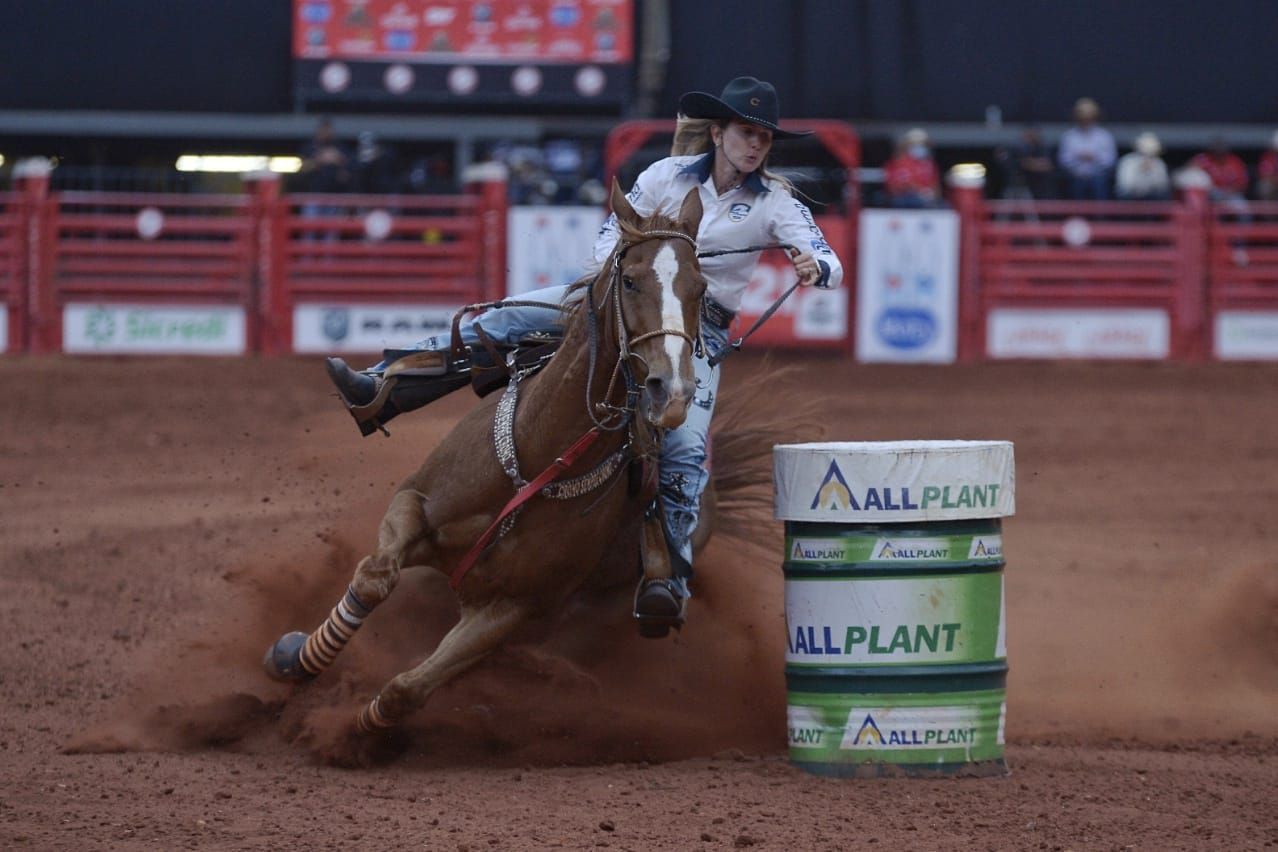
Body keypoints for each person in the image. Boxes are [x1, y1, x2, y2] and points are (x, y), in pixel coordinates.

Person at [324, 76, 843, 624]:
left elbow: (825, 255)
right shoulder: (662, 176)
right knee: (503, 318)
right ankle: (386, 385)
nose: (757, 144)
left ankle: (670, 579)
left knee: (685, 449)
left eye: (764, 136)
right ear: (717, 133)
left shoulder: (775, 203)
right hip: (618, 299)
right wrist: (602, 286)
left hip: (695, 328)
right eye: (747, 132)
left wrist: (816, 266)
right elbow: (608, 234)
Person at [1057, 97, 1116, 200]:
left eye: (1089, 117)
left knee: (1099, 184)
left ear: (1095, 116)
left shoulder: (1104, 136)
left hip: (1098, 177)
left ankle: (1101, 215)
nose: (1086, 120)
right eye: (1083, 117)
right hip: (1075, 177)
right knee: (1074, 186)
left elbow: (1110, 161)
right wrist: (1078, 157)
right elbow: (1063, 160)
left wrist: (1095, 157)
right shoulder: (1069, 136)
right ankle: (1076, 215)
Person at [882, 128, 941, 208]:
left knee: (943, 205)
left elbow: (935, 183)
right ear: (907, 145)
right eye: (916, 144)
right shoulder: (899, 162)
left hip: (926, 198)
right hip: (904, 198)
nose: (920, 147)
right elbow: (903, 184)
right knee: (913, 200)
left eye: (922, 144)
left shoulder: (929, 164)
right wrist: (921, 192)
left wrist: (932, 195)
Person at [994, 125, 1056, 200]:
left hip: (1037, 185)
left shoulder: (1042, 147)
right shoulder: (1016, 147)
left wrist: (1030, 163)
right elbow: (1011, 161)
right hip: (1014, 183)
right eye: (1028, 134)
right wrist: (1027, 163)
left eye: (1033, 134)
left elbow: (1047, 165)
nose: (1030, 137)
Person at [1190, 136, 1249, 202]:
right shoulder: (1203, 159)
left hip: (1231, 194)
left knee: (1240, 204)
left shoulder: (1235, 162)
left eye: (1221, 148)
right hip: (1208, 193)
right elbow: (1189, 173)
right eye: (1216, 148)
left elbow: (1242, 183)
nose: (1219, 150)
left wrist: (1229, 192)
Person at [1115, 132, 1171, 201]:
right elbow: (1125, 185)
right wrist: (1140, 171)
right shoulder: (1128, 161)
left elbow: (1162, 185)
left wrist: (1151, 172)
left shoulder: (1159, 163)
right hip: (1131, 195)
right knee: (1125, 195)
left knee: (1162, 195)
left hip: (1152, 195)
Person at [1257, 130, 1278, 201]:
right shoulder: (1268, 157)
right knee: (1265, 186)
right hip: (1273, 185)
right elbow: (1264, 176)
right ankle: (1268, 209)